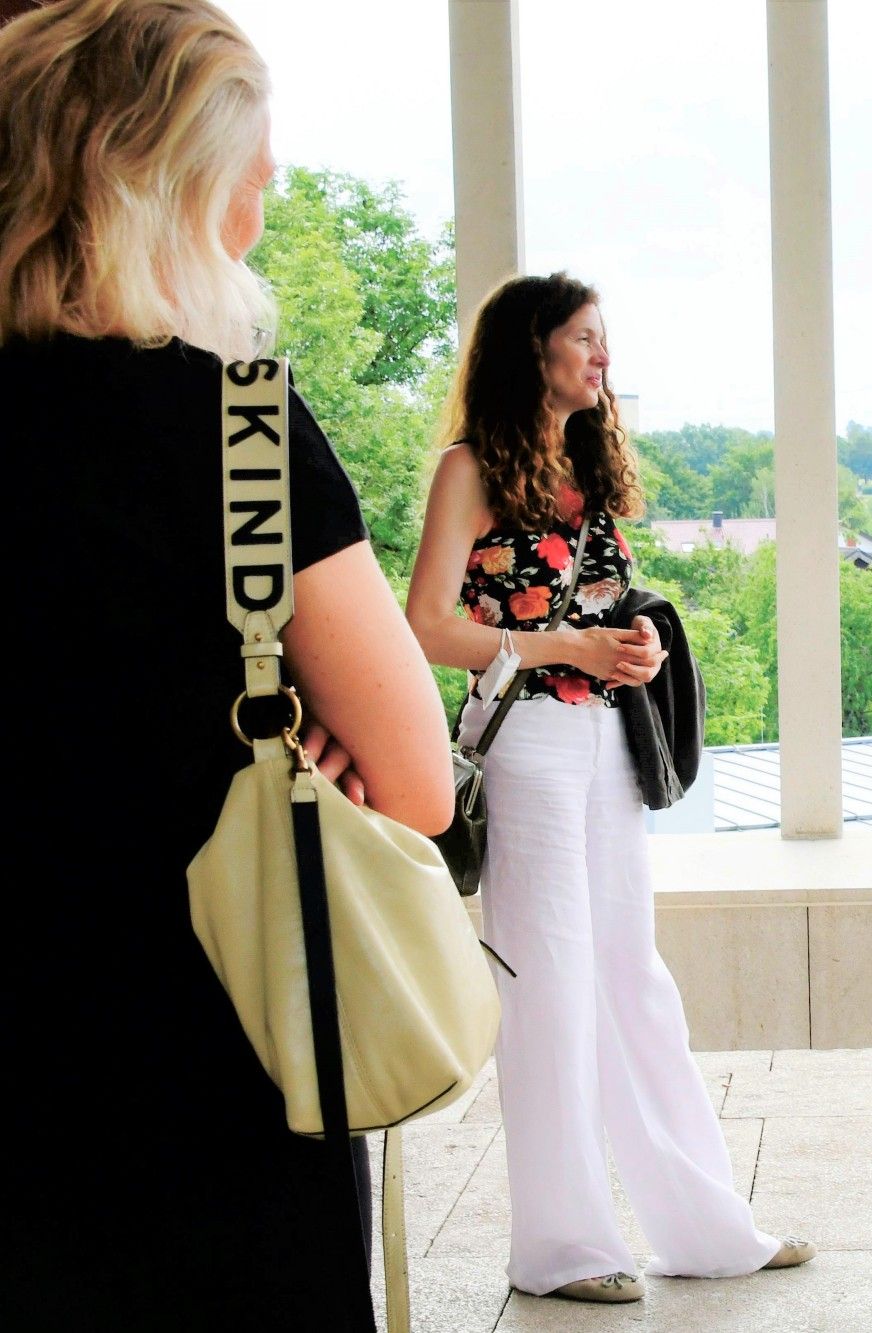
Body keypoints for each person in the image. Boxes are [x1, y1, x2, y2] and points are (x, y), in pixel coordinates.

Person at [1, 1, 455, 1328]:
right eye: (247, 158)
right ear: (158, 182)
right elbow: (416, 784)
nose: (268, 183)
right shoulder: (236, 431)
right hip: (214, 1061)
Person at [404, 273, 812, 1304]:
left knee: (632, 978)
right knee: (547, 988)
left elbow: (588, 600)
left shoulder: (582, 460)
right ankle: (563, 1249)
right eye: (585, 339)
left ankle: (705, 1228)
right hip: (528, 742)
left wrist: (624, 645)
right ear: (529, 349)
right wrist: (565, 641)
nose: (603, 358)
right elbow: (428, 625)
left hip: (606, 740)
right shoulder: (467, 468)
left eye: (603, 340)